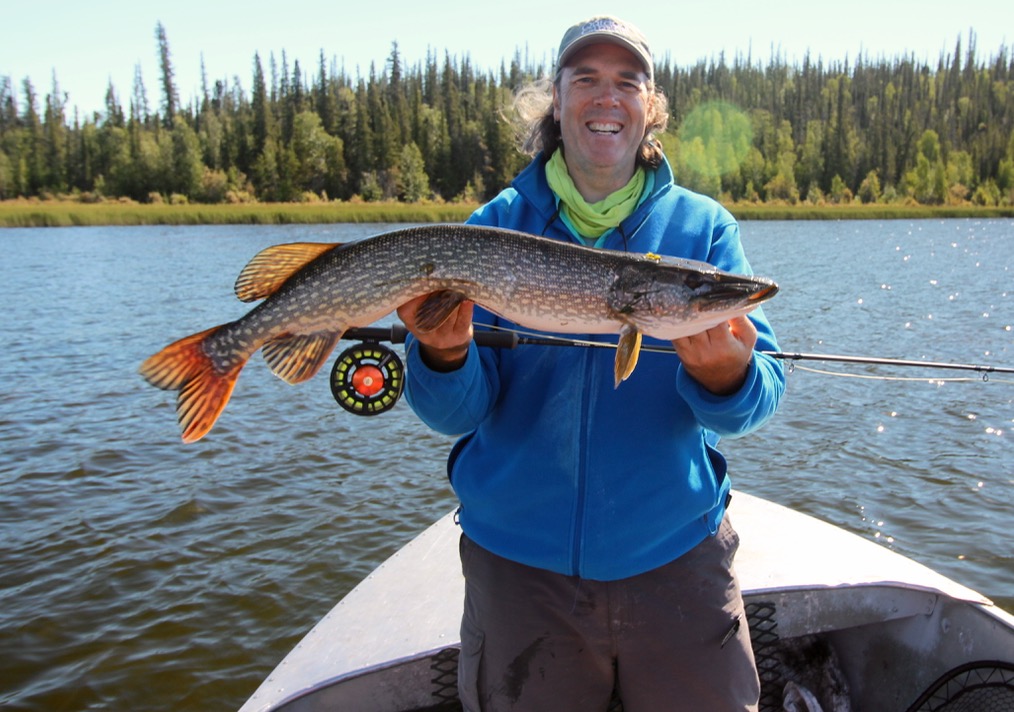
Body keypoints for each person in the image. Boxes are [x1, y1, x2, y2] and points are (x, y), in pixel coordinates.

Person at [397, 15, 785, 712]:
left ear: (649, 107)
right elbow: (453, 413)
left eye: (627, 82)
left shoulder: (703, 230)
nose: (608, 97)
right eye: (587, 80)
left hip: (674, 556)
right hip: (519, 568)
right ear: (557, 101)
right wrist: (443, 351)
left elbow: (759, 398)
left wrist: (726, 377)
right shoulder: (494, 226)